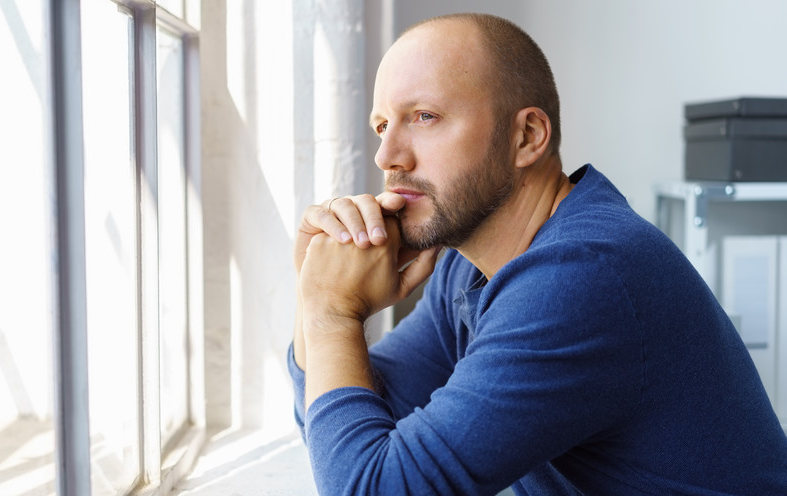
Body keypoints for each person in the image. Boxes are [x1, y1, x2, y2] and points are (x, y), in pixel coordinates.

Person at [289, 12, 787, 496]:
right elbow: (342, 431)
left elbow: (368, 487)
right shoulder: (469, 264)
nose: (386, 156)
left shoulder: (580, 275)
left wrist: (334, 312)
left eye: (425, 117)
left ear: (527, 136)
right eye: (382, 126)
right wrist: (316, 295)